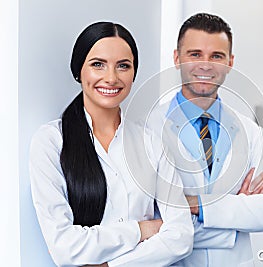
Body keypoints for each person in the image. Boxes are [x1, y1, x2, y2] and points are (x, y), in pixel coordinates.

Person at [29, 21, 193, 267]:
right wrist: (140, 229)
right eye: (98, 64)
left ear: (134, 73)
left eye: (123, 66)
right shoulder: (51, 141)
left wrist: (109, 266)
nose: (111, 78)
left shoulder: (151, 142)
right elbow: (63, 247)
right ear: (78, 70)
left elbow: (181, 237)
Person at [146, 13, 263, 266]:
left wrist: (194, 205)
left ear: (230, 62)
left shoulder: (249, 131)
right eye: (195, 54)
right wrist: (237, 215)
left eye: (217, 56)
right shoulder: (148, 129)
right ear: (177, 59)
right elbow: (149, 223)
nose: (205, 65)